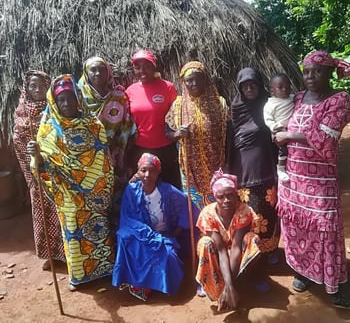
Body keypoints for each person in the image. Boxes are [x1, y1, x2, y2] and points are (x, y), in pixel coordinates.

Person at [275, 50, 350, 309]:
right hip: (295, 177)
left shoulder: (339, 100)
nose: (310, 76)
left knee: (326, 228)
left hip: (321, 181)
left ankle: (335, 283)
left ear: (330, 72)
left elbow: (326, 136)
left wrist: (288, 135)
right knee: (299, 227)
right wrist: (278, 130)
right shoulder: (298, 98)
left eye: (317, 71)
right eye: (306, 71)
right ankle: (305, 272)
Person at [27, 74, 115, 291]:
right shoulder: (48, 130)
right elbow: (42, 166)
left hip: (95, 192)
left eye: (70, 98)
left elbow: (103, 158)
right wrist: (36, 155)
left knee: (99, 229)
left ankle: (104, 269)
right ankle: (78, 275)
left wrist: (94, 184)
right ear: (55, 103)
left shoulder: (93, 124)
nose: (66, 104)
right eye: (61, 100)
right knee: (73, 234)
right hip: (67, 195)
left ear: (78, 99)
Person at [112, 153, 190, 301]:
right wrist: (150, 236)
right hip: (141, 234)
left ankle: (161, 286)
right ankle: (138, 284)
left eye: (152, 170)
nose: (147, 174)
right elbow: (128, 219)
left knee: (169, 256)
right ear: (138, 171)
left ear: (158, 172)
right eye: (143, 170)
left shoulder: (167, 191)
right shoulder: (131, 190)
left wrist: (175, 232)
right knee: (124, 236)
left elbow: (187, 207)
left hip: (163, 234)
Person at [13, 70, 65, 270]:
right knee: (42, 213)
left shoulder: (55, 111)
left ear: (48, 87)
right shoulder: (21, 113)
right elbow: (18, 141)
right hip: (36, 175)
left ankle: (67, 253)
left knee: (61, 212)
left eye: (41, 86)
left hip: (56, 172)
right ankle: (50, 255)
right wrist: (31, 153)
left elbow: (62, 139)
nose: (37, 90)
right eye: (33, 86)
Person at [228, 68, 279, 267]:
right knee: (249, 214)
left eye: (253, 85)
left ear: (259, 85)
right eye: (245, 86)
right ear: (240, 88)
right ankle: (252, 253)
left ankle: (270, 249)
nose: (249, 89)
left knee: (268, 212)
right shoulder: (236, 107)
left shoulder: (269, 105)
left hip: (265, 168)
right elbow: (230, 142)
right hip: (243, 170)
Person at [165, 61, 228, 210]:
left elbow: (228, 136)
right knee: (195, 208)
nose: (194, 83)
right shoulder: (178, 106)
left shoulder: (219, 103)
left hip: (216, 166)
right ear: (184, 83)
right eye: (189, 80)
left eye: (198, 78)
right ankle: (198, 233)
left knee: (219, 204)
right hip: (190, 169)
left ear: (205, 79)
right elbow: (167, 133)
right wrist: (178, 134)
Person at [195, 169, 260, 312]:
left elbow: (236, 248)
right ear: (214, 197)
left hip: (235, 256)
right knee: (205, 243)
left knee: (252, 240)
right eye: (221, 197)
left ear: (236, 194)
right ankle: (213, 284)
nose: (226, 201)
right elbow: (221, 250)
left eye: (230, 195)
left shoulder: (244, 211)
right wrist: (227, 287)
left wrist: (229, 287)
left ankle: (239, 282)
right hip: (217, 257)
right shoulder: (208, 214)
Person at [126, 49, 181, 189]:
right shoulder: (130, 91)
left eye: (147, 66)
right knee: (144, 189)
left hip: (166, 149)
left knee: (171, 187)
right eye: (137, 67)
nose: (142, 70)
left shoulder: (167, 88)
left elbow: (176, 115)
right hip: (140, 150)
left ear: (154, 66)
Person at [78, 56, 135, 186]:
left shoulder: (119, 96)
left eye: (102, 69)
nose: (98, 73)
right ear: (86, 73)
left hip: (115, 156)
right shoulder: (77, 97)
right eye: (93, 70)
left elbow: (127, 125)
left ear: (108, 72)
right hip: (86, 158)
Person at [263, 73, 294, 182]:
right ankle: (280, 168)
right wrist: (275, 127)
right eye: (280, 87)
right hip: (281, 129)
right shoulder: (270, 104)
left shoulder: (293, 98)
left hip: (294, 129)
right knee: (283, 151)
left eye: (287, 86)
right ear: (272, 91)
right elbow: (268, 119)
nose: (284, 89)